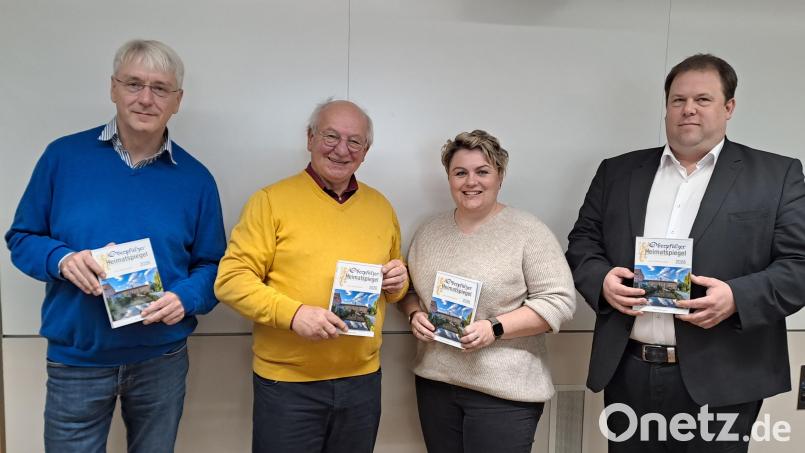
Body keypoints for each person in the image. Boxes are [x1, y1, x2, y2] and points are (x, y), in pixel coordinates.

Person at [566, 54, 805, 452]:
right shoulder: (617, 172)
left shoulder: (777, 175)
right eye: (678, 100)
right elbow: (583, 242)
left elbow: (799, 266)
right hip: (630, 371)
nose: (688, 109)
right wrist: (602, 281)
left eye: (702, 99)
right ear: (666, 107)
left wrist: (737, 298)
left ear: (729, 107)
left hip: (726, 376)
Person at [5, 39, 226, 452]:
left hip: (161, 358)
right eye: (133, 84)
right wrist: (62, 259)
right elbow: (21, 238)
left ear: (177, 101)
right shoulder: (62, 157)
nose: (145, 98)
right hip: (78, 359)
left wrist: (185, 297)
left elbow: (214, 265)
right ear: (112, 88)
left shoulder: (196, 179)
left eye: (160, 88)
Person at [214, 99, 409, 453]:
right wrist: (294, 314)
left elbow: (394, 287)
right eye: (330, 136)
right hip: (289, 386)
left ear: (366, 151)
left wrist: (399, 281)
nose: (341, 149)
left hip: (362, 382)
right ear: (310, 138)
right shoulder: (270, 201)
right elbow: (231, 280)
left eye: (354, 141)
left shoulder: (381, 206)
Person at [397, 130, 576, 453]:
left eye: (483, 171)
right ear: (449, 178)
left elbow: (559, 301)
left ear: (500, 176)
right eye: (460, 172)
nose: (471, 182)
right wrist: (414, 314)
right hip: (436, 385)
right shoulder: (429, 232)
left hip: (504, 394)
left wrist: (495, 328)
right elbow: (409, 290)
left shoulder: (528, 231)